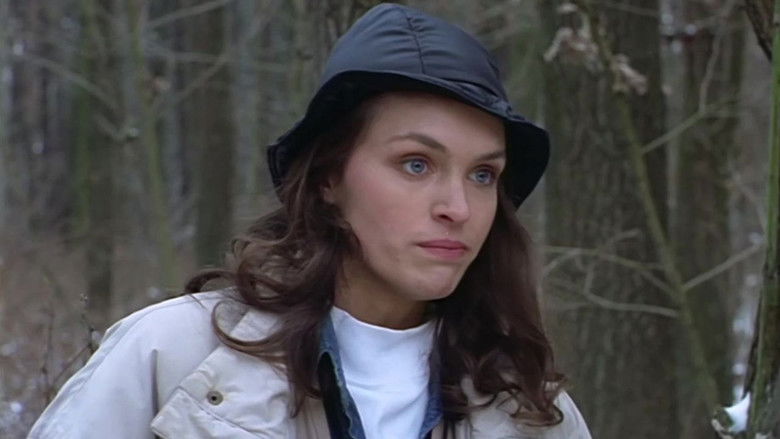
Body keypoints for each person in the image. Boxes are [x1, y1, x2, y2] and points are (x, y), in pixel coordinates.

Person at [29, 3, 591, 438]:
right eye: (416, 164)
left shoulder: (532, 413)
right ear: (328, 179)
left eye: (483, 174)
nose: (458, 207)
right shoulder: (173, 359)